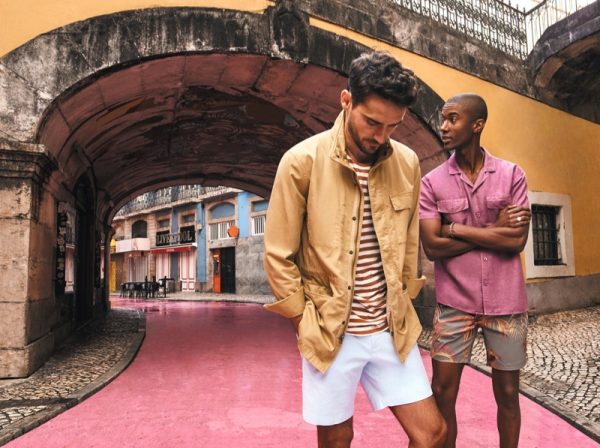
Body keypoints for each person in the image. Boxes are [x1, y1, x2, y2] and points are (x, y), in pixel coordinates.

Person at [263, 51, 446, 448]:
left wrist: (405, 295)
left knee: (432, 434)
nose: (381, 136)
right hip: (330, 330)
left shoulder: (408, 163)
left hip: (390, 327)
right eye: (372, 122)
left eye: (393, 126)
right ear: (346, 100)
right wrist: (303, 323)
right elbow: (278, 255)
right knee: (337, 439)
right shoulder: (301, 161)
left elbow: (409, 242)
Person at [419, 93, 531, 448]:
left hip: (506, 303)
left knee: (509, 394)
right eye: (443, 118)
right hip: (454, 303)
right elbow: (432, 247)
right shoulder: (432, 182)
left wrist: (454, 228)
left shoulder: (512, 175)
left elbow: (516, 241)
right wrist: (493, 230)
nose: (443, 126)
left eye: (452, 118)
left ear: (477, 125)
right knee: (442, 392)